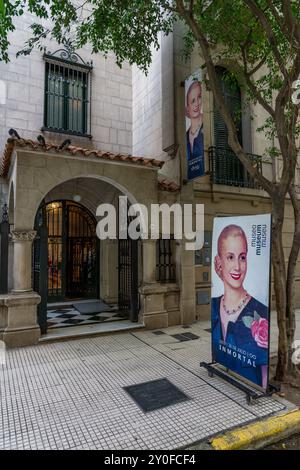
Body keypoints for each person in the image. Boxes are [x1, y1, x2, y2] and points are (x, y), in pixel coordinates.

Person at [211, 224, 269, 389]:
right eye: (230, 257)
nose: (237, 266)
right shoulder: (215, 306)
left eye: (242, 257)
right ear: (219, 261)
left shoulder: (260, 313)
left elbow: (263, 373)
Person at [185, 79, 205, 177]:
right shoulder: (185, 136)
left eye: (199, 97)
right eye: (192, 101)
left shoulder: (204, 127)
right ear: (187, 108)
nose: (197, 103)